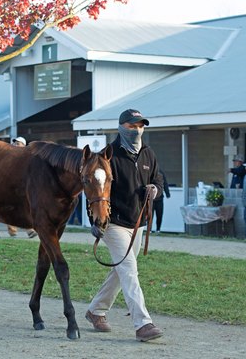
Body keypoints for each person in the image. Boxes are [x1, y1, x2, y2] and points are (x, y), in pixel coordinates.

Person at [85, 109, 164, 342]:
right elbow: (95, 191)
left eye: (140, 125)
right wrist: (95, 221)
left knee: (121, 272)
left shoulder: (148, 153)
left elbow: (158, 179)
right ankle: (143, 324)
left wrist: (155, 190)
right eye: (132, 126)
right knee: (129, 270)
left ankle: (95, 311)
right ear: (121, 127)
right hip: (114, 223)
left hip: (138, 221)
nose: (137, 129)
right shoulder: (108, 156)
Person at [2, 136, 38, 239]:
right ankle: (17, 230)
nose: (15, 145)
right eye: (14, 143)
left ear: (24, 145)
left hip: (23, 186)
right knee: (12, 207)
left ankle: (28, 229)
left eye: (18, 143)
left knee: (24, 208)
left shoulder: (29, 157)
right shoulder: (9, 156)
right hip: (11, 186)